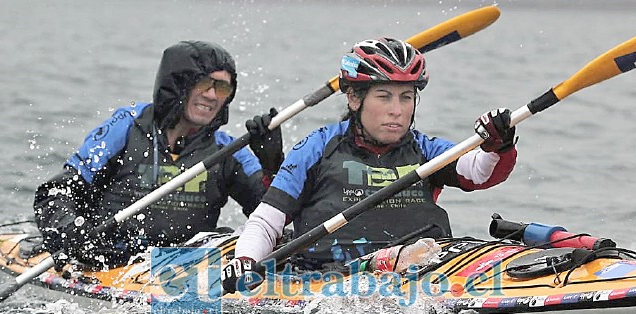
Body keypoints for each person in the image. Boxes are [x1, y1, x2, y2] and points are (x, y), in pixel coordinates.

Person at [222, 37, 517, 291]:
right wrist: (245, 261)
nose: (397, 111)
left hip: (426, 270)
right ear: (353, 98)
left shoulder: (427, 149)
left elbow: (479, 172)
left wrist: (497, 143)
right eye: (384, 96)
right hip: (334, 277)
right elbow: (265, 221)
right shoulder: (317, 148)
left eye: (406, 97)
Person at [34, 40, 283, 269]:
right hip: (108, 261)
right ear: (178, 84)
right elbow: (55, 194)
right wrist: (74, 233)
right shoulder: (126, 127)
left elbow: (271, 219)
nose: (211, 95)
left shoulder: (226, 150)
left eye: (222, 87)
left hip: (184, 267)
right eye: (203, 83)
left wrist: (272, 165)